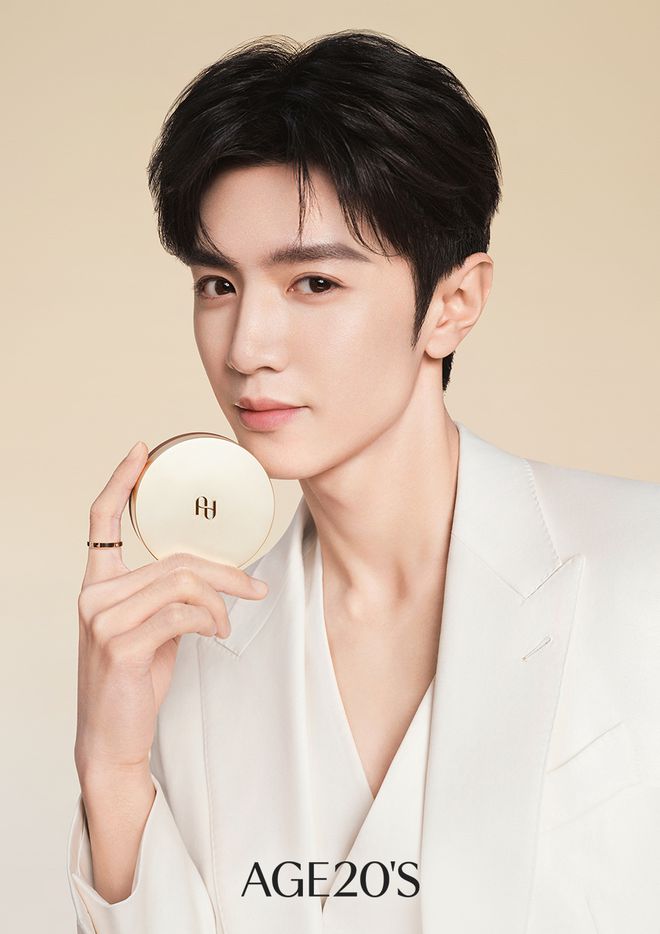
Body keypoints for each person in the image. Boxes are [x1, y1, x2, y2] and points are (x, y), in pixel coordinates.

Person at [66, 29, 660, 934]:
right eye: (217, 284)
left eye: (312, 283)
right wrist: (111, 773)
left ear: (453, 304)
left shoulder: (640, 570)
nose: (246, 347)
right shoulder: (184, 659)